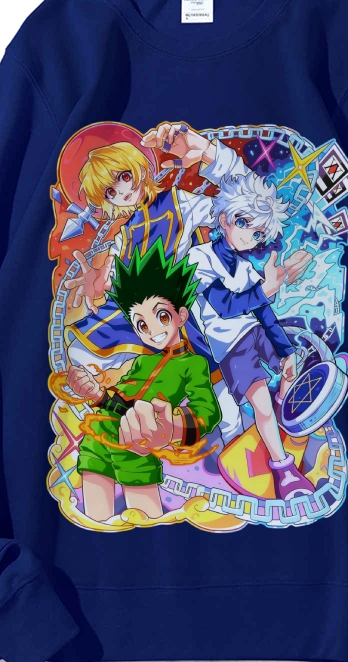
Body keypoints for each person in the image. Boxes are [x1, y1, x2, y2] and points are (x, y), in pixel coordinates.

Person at [62, 122, 250, 442]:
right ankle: (119, 415)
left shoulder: (178, 203)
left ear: (137, 166)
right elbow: (115, 276)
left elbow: (235, 206)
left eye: (124, 176)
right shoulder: (124, 234)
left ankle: (234, 438)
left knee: (212, 379)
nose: (122, 190)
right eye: (110, 192)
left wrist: (211, 155)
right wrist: (100, 279)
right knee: (83, 350)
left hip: (175, 311)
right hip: (137, 315)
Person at [63, 238, 222, 522]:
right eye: (141, 324)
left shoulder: (192, 363)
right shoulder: (141, 361)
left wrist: (173, 426)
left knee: (147, 520)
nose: (153, 330)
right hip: (98, 437)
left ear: (181, 315)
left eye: (162, 316)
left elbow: (208, 412)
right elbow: (118, 402)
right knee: (95, 522)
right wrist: (95, 391)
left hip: (135, 445)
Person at [187, 172, 315, 499]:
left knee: (292, 371)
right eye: (244, 223)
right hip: (231, 347)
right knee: (262, 404)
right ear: (224, 219)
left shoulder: (245, 269)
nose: (250, 236)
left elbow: (264, 314)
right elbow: (226, 306)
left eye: (258, 233)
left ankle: (283, 421)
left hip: (255, 333)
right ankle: (283, 470)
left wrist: (286, 351)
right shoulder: (199, 257)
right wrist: (265, 290)